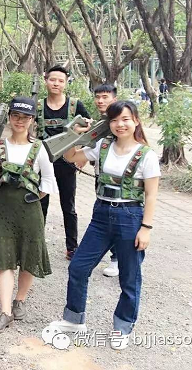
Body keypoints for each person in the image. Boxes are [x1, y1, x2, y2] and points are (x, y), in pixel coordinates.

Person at [49, 101, 160, 350]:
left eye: (126, 119)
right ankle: (74, 319)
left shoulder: (147, 155)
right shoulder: (102, 145)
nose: (120, 124)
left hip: (130, 216)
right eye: (114, 120)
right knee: (78, 267)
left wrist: (146, 228)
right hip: (101, 215)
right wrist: (76, 136)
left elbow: (152, 195)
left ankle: (123, 327)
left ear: (136, 121)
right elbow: (71, 157)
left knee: (129, 277)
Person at [0, 97, 58, 333]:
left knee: (28, 255)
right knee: (4, 258)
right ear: (9, 117)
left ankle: (20, 300)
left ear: (32, 120)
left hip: (30, 208)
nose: (19, 121)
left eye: (25, 117)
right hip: (2, 208)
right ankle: (5, 311)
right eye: (15, 116)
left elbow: (48, 182)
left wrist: (31, 198)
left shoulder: (39, 148)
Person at [36, 65, 90, 260]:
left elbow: (89, 129)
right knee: (40, 203)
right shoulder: (38, 106)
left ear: (66, 83)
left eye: (60, 80)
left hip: (66, 162)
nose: (56, 84)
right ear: (46, 81)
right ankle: (36, 245)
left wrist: (83, 155)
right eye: (52, 80)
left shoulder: (75, 106)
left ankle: (72, 247)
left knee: (68, 206)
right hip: (42, 162)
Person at [92, 84, 119, 277]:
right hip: (101, 177)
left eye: (105, 97)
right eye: (98, 97)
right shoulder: (101, 121)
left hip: (121, 182)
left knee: (117, 218)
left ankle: (117, 259)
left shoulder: (117, 121)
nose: (100, 101)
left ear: (114, 99)